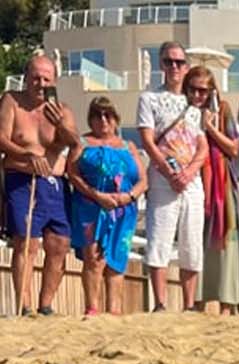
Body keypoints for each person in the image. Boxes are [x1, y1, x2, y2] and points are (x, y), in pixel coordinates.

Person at [0, 54, 76, 316]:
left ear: (54, 81)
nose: (40, 83)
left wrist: (60, 125)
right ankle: (25, 305)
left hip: (55, 181)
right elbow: (1, 138)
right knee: (26, 243)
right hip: (22, 177)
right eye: (35, 77)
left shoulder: (61, 109)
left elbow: (71, 142)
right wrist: (27, 155)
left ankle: (45, 305)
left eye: (46, 78)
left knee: (58, 244)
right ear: (25, 77)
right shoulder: (12, 101)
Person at [137, 41, 206, 311]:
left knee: (191, 242)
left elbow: (202, 145)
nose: (174, 67)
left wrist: (188, 173)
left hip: (191, 181)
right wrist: (168, 172)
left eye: (179, 62)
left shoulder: (195, 105)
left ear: (186, 67)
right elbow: (147, 139)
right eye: (169, 62)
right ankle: (161, 302)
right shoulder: (149, 98)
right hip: (162, 179)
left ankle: (189, 303)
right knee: (159, 238)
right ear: (161, 65)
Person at [64, 95, 143, 316]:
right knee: (93, 258)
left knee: (117, 260)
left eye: (107, 115)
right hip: (91, 207)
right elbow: (73, 174)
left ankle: (115, 310)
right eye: (97, 115)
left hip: (122, 210)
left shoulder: (128, 146)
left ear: (116, 119)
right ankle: (92, 307)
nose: (103, 120)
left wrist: (130, 196)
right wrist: (96, 195)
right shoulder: (82, 143)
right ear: (90, 119)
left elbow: (142, 179)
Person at [195, 73, 239, 316]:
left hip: (222, 184)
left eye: (204, 90)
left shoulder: (223, 110)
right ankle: (198, 301)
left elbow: (234, 148)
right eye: (194, 89)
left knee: (227, 242)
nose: (199, 95)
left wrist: (209, 128)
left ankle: (227, 303)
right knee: (197, 242)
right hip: (196, 181)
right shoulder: (185, 112)